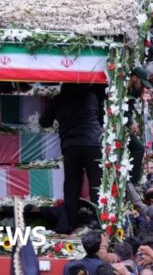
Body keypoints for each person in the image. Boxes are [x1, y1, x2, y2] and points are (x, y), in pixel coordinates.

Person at [40, 84, 104, 232]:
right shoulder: (91, 97)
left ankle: (70, 221)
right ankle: (98, 220)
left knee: (72, 184)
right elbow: (100, 119)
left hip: (71, 145)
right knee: (96, 183)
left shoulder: (58, 100)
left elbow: (44, 122)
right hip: (92, 143)